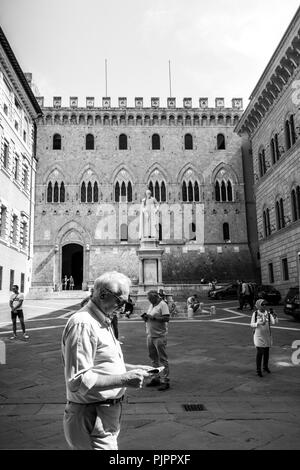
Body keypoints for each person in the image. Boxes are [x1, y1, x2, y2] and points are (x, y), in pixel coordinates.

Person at [61, 271, 152, 450]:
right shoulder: (84, 324)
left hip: (102, 416)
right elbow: (78, 381)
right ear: (103, 295)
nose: (123, 307)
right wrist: (124, 379)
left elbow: (101, 364)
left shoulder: (101, 320)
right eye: (120, 301)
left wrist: (133, 369)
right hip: (91, 416)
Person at [142, 290, 170, 391]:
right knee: (153, 358)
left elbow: (166, 318)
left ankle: (165, 380)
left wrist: (154, 317)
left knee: (163, 359)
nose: (149, 301)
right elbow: (150, 317)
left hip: (159, 336)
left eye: (150, 299)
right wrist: (146, 318)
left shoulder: (163, 305)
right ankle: (155, 378)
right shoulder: (152, 305)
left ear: (155, 297)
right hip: (150, 335)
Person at [250, 299, 278, 377]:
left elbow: (274, 322)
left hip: (267, 335)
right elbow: (251, 324)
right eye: (263, 304)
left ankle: (265, 367)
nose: (265, 306)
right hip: (258, 336)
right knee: (260, 352)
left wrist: (275, 315)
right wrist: (258, 323)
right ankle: (258, 370)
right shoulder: (255, 313)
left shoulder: (268, 313)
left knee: (266, 352)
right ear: (259, 305)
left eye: (266, 304)